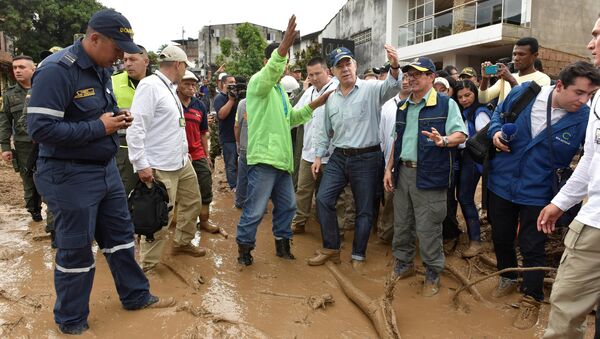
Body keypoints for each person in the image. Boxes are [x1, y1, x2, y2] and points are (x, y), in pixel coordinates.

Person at [26, 9, 174, 334]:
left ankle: (136, 297)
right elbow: (39, 129)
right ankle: (71, 322)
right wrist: (98, 127)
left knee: (121, 238)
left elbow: (97, 114)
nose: (122, 56)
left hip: (105, 171)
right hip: (69, 175)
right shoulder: (56, 71)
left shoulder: (100, 68)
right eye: (117, 48)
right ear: (94, 39)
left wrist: (115, 117)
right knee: (76, 249)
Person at [486, 61, 599, 329]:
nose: (584, 101)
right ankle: (508, 278)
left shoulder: (585, 118)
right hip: (501, 183)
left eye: (591, 95)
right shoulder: (524, 93)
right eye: (579, 93)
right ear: (559, 85)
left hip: (538, 193)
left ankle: (532, 297)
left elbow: (589, 160)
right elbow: (498, 115)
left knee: (533, 246)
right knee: (501, 236)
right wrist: (495, 134)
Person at [235, 15, 332, 266]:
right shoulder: (259, 84)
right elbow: (272, 70)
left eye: (287, 63)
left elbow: (291, 119)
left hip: (283, 163)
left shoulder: (279, 92)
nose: (286, 67)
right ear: (268, 62)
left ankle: (282, 245)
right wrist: (285, 46)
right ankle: (244, 251)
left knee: (288, 207)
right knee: (255, 211)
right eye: (282, 62)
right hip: (264, 160)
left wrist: (316, 103)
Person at [307, 44, 402, 269]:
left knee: (365, 209)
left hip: (367, 157)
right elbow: (325, 129)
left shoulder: (371, 89)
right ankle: (331, 248)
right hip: (339, 156)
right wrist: (319, 156)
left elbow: (393, 87)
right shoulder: (331, 98)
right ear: (332, 71)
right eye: (339, 66)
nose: (345, 69)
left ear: (355, 65)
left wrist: (395, 65)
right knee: (323, 199)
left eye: (348, 63)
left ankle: (358, 254)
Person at [383, 57, 467, 297]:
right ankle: (404, 264)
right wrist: (388, 169)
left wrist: (443, 141)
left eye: (418, 74)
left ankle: (432, 271)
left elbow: (461, 134)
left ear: (431, 77)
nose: (411, 78)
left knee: (429, 226)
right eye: (409, 74)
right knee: (403, 223)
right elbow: (396, 141)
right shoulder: (403, 106)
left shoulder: (445, 104)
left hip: (430, 174)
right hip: (403, 173)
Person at [538, 17, 600, 338]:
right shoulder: (599, 101)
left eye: (598, 35)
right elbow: (591, 159)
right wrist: (560, 202)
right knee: (565, 312)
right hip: (594, 226)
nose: (591, 43)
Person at [127, 44, 206, 272]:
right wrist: (141, 164)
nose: (185, 72)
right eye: (185, 68)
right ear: (179, 65)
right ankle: (149, 267)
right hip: (160, 166)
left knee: (192, 203)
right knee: (159, 216)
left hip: (181, 162)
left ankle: (182, 242)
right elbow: (136, 128)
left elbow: (172, 126)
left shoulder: (170, 88)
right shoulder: (150, 87)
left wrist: (185, 153)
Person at [290, 56, 339, 234]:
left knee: (328, 194)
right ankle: (300, 221)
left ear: (327, 71)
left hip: (331, 153)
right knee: (303, 189)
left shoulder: (336, 90)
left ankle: (327, 226)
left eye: (318, 73)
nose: (314, 78)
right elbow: (294, 116)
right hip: (308, 152)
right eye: (311, 75)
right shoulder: (308, 93)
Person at [0, 55, 43, 222]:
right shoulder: (10, 95)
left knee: (50, 178)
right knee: (29, 183)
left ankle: (53, 220)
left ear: (33, 69)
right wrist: (4, 148)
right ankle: (35, 211)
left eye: (22, 67)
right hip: (24, 146)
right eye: (15, 67)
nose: (17, 71)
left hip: (46, 142)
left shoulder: (45, 88)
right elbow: (4, 122)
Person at [453, 80, 492, 257]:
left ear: (475, 93)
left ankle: (475, 241)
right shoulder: (463, 111)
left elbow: (485, 139)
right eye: (460, 96)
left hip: (473, 158)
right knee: (463, 197)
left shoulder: (479, 112)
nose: (464, 99)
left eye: (467, 95)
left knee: (465, 197)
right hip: (465, 157)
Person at [178, 70, 218, 234]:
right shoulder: (172, 103)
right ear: (178, 85)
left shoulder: (199, 105)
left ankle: (204, 221)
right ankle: (176, 224)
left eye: (193, 84)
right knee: (175, 191)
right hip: (176, 154)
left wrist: (207, 155)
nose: (191, 87)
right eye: (186, 84)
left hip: (197, 153)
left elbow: (203, 133)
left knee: (205, 186)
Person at [376, 75, 411, 243]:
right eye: (402, 78)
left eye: (409, 77)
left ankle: (407, 240)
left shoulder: (417, 105)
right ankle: (386, 235)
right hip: (390, 165)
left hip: (411, 165)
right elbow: (382, 136)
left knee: (410, 204)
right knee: (389, 202)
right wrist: (386, 166)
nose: (405, 81)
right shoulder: (387, 106)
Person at [112, 45, 149, 194]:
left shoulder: (157, 84)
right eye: (125, 60)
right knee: (125, 194)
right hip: (124, 149)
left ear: (146, 61)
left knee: (155, 198)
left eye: (132, 59)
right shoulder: (113, 82)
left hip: (152, 146)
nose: (127, 63)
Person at [479, 37, 551, 104]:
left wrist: (511, 80)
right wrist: (485, 79)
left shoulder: (543, 79)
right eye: (514, 54)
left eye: (521, 54)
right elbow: (483, 100)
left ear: (535, 56)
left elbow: (527, 105)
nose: (516, 58)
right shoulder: (505, 78)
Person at [214, 74, 239, 191]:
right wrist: (231, 100)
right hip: (228, 137)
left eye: (234, 82)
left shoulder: (239, 97)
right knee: (231, 164)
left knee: (242, 164)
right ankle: (233, 186)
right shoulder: (219, 98)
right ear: (223, 84)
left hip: (240, 136)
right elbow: (221, 115)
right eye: (230, 82)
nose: (233, 84)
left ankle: (241, 185)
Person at [234, 97, 248, 208]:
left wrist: (238, 142)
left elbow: (237, 126)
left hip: (245, 145)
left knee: (243, 176)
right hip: (261, 148)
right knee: (258, 176)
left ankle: (240, 201)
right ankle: (257, 206)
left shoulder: (243, 103)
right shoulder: (268, 101)